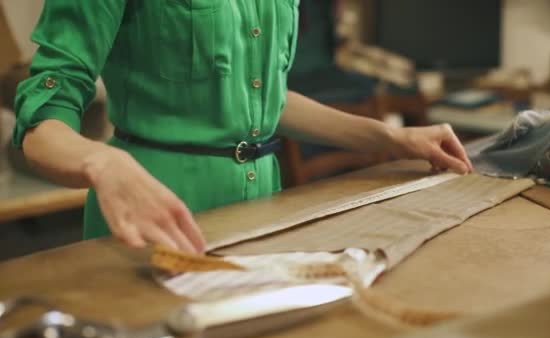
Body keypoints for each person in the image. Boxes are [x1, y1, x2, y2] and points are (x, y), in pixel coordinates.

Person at [13, 1, 472, 254]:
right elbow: (42, 121)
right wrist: (102, 163)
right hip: (152, 218)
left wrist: (391, 138)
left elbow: (267, 102)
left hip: (264, 213)